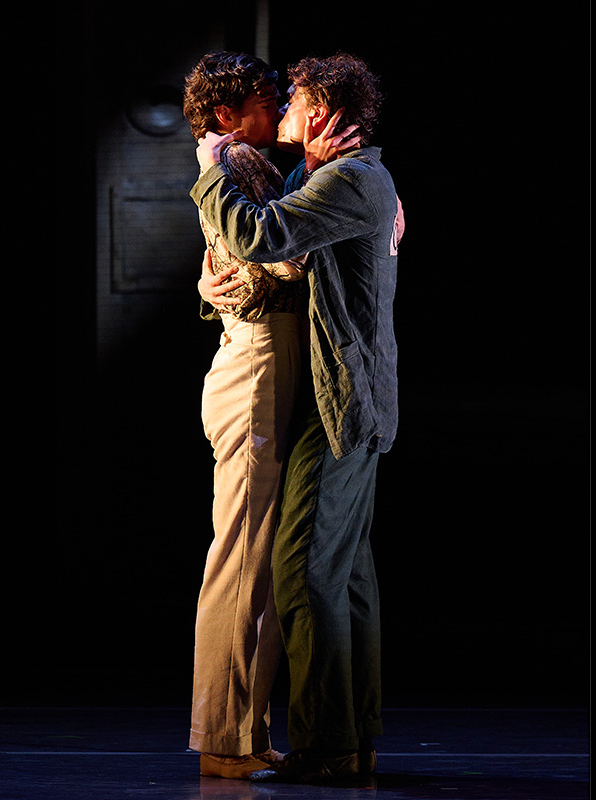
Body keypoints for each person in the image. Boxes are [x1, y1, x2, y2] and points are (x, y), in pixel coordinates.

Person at [192, 52, 402, 784]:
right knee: (310, 568)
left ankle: (331, 742)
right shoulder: (317, 177)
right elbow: (244, 254)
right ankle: (318, 738)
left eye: (291, 103)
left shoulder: (344, 179)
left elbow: (263, 238)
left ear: (317, 114)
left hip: (335, 396)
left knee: (312, 570)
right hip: (288, 386)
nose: (281, 112)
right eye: (268, 101)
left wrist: (210, 172)